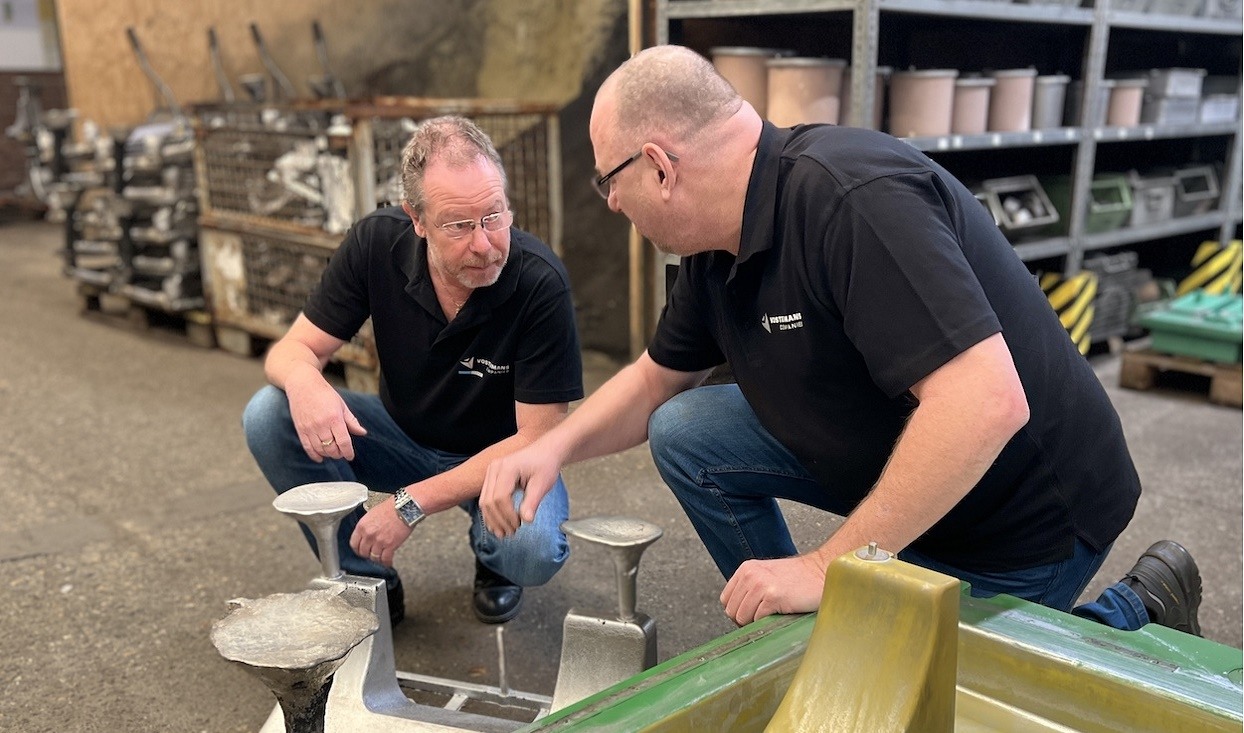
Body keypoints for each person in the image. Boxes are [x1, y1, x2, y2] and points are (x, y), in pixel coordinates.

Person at [479, 45, 1203, 636]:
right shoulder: (714, 245)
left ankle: (1130, 614)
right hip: (904, 456)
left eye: (610, 178)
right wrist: (549, 447)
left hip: (1024, 517)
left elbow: (985, 402)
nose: (609, 202)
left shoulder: (852, 200)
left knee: (941, 700)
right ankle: (800, 630)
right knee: (685, 428)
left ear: (660, 165)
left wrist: (828, 565)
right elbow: (653, 382)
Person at [243, 115, 583, 627]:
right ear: (417, 219)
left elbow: (540, 435)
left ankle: (494, 563)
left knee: (530, 550)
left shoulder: (539, 283)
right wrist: (305, 379)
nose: (485, 244)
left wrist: (408, 505)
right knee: (269, 414)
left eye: (494, 216)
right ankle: (367, 578)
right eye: (459, 225)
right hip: (403, 436)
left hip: (501, 457)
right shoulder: (376, 244)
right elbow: (289, 351)